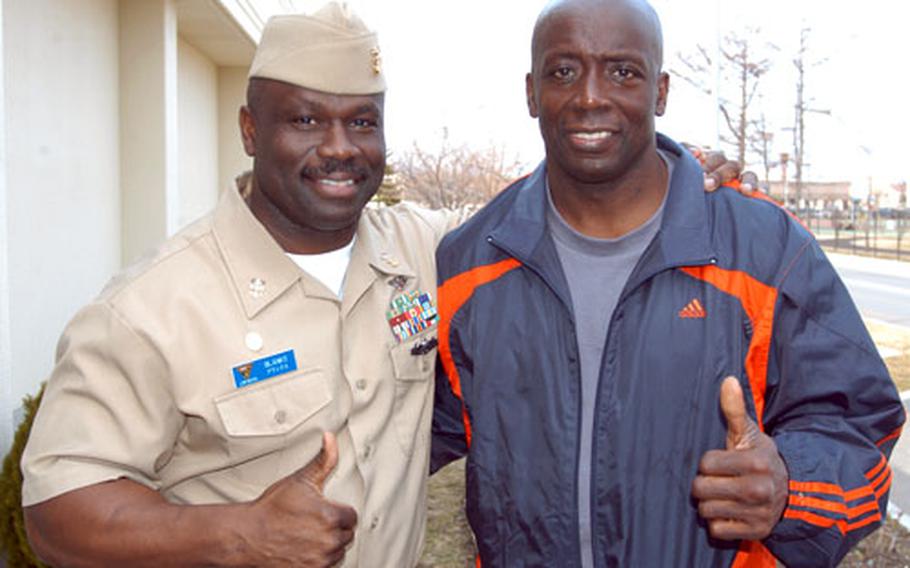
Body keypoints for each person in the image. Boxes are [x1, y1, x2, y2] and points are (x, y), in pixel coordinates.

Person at [20, 2, 742, 566]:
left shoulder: (429, 250)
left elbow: (554, 204)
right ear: (249, 128)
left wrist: (671, 174)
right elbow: (56, 512)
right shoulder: (149, 308)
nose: (339, 147)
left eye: (361, 122)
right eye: (304, 120)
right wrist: (237, 535)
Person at [430, 0, 904, 566]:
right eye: (563, 71)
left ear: (660, 91)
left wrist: (792, 487)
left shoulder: (763, 247)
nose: (590, 97)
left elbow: (859, 422)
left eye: (622, 71)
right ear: (531, 92)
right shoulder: (468, 264)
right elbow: (403, 429)